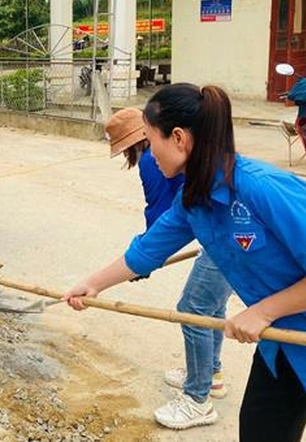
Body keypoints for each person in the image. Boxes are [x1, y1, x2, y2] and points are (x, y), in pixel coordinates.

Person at [65, 84, 306, 440]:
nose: (149, 154)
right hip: (281, 346)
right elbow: (148, 250)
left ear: (178, 138)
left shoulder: (263, 188)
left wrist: (262, 312)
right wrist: (93, 284)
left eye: (150, 139)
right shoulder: (192, 197)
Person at [105, 107, 233, 429]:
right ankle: (210, 374)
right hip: (216, 230)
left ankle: (197, 398)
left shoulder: (150, 159)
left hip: (224, 238)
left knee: (193, 308)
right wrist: (145, 256)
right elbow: (173, 210)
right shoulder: (178, 152)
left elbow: (161, 210)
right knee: (211, 307)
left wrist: (145, 258)